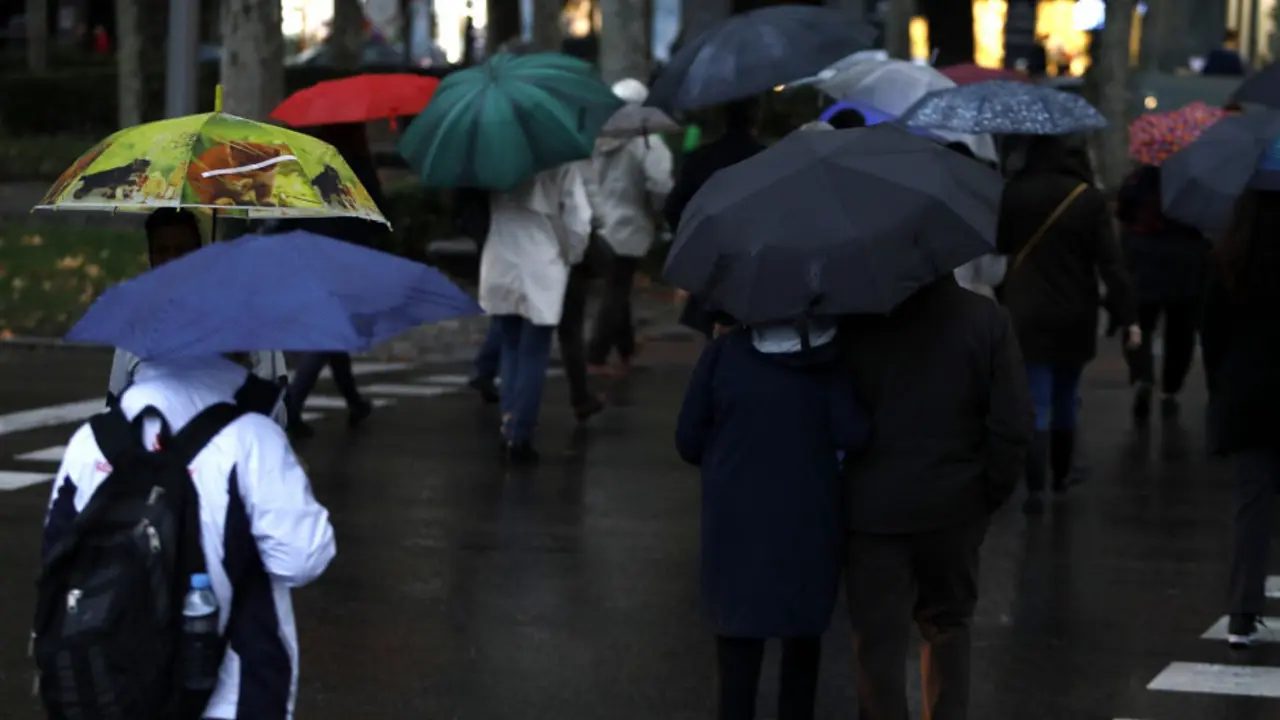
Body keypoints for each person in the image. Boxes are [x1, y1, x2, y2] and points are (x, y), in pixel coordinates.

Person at [43, 352, 336, 718]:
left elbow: (57, 556)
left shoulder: (91, 439)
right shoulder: (253, 437)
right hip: (235, 691)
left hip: (107, 685)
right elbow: (303, 558)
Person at [840, 274, 1033, 720]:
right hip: (955, 502)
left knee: (876, 640)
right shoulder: (985, 319)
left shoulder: (857, 320)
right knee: (947, 627)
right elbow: (1013, 421)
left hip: (874, 507)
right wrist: (989, 493)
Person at [676, 318, 868, 720]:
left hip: (736, 520)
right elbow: (854, 433)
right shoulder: (829, 361)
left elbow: (689, 440)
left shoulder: (723, 355)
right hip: (809, 520)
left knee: (738, 640)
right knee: (802, 637)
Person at [996, 135, 1139, 514]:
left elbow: (1000, 245)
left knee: (1036, 398)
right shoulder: (1087, 199)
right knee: (1066, 395)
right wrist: (1128, 316)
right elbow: (1110, 262)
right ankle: (1061, 473)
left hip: (1026, 308)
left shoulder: (1015, 192)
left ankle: (1035, 484)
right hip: (1075, 309)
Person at [107, 209, 290, 428]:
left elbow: (277, 414)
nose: (171, 260)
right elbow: (115, 410)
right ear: (150, 256)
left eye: (182, 250)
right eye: (161, 251)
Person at [267, 122, 383, 438]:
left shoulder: (303, 162)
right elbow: (376, 211)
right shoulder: (355, 164)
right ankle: (292, 405)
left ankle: (354, 401)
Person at [1202, 187, 1280, 648]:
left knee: (1252, 508)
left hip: (1248, 396)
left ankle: (1242, 614)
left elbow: (1212, 335)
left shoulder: (1227, 263)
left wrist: (1221, 389)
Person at [479, 161, 593, 461]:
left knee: (510, 346)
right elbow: (578, 219)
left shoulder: (495, 159)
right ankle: (521, 433)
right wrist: (572, 255)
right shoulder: (562, 164)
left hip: (499, 258)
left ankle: (509, 421)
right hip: (541, 261)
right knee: (533, 352)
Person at [585, 78, 674, 376]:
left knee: (616, 286)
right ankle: (596, 354)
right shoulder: (646, 142)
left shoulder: (595, 138)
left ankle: (626, 347)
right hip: (630, 225)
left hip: (597, 223)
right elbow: (661, 185)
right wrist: (660, 212)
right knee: (618, 289)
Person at [1115, 164, 1211, 421]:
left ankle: (1142, 375)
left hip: (1144, 257)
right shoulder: (1194, 179)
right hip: (1185, 258)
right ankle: (1170, 386)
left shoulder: (1137, 179)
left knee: (1139, 323)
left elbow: (1122, 213)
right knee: (1181, 328)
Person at [665, 99, 767, 338]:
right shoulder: (765, 158)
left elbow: (674, 206)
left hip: (709, 250)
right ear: (756, 120)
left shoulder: (701, 158)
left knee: (712, 322)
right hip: (750, 251)